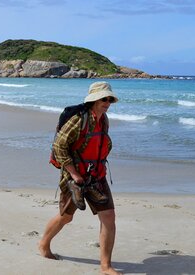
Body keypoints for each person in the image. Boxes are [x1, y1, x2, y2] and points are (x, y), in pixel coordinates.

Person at [39, 81, 122, 275]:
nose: (107, 102)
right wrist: (75, 174)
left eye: (109, 99)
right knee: (66, 217)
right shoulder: (78, 119)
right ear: (94, 100)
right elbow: (59, 146)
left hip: (97, 175)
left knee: (109, 217)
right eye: (104, 98)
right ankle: (43, 244)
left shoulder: (104, 119)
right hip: (74, 177)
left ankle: (106, 266)